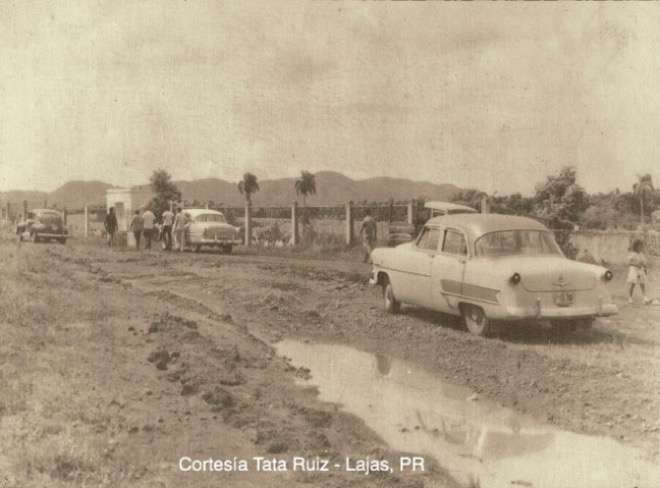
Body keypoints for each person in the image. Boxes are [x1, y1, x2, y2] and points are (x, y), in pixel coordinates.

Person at [627, 239, 651, 305]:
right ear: (635, 246)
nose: (640, 248)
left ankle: (645, 297)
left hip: (640, 270)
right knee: (633, 284)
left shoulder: (641, 254)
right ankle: (630, 297)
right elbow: (629, 262)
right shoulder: (632, 254)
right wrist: (636, 264)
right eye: (639, 246)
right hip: (634, 270)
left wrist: (645, 268)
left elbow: (644, 262)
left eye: (641, 246)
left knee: (642, 283)